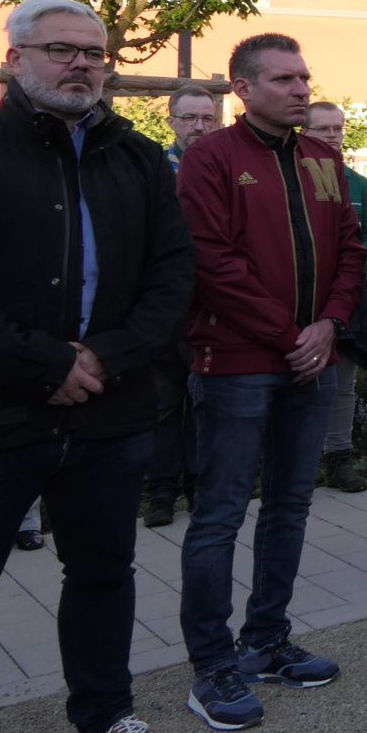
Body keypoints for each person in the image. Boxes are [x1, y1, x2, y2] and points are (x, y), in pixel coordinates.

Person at [0, 0, 193, 733]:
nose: (81, 64)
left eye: (94, 53)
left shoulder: (138, 159)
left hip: (109, 412)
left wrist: (107, 356)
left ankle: (106, 714)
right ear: (14, 59)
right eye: (61, 49)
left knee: (103, 577)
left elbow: (174, 277)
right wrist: (43, 364)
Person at [177, 32, 365, 730]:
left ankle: (266, 640)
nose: (301, 89)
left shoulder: (321, 157)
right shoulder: (211, 158)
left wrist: (331, 324)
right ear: (243, 89)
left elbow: (350, 247)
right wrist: (292, 336)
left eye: (304, 77)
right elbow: (211, 263)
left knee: (289, 506)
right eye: (284, 79)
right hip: (238, 364)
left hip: (313, 360)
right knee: (220, 515)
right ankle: (212, 666)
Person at [144, 81, 221, 529]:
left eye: (207, 118)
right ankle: (160, 494)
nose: (198, 126)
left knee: (205, 403)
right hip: (164, 306)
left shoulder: (226, 167)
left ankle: (198, 489)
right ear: (171, 120)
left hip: (213, 306)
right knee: (164, 404)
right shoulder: (155, 168)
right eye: (189, 118)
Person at [304, 100, 367, 492]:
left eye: (337, 128)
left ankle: (338, 459)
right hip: (300, 297)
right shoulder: (289, 178)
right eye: (323, 128)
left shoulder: (359, 184)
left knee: (342, 383)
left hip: (349, 297)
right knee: (295, 380)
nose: (332, 135)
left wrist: (348, 271)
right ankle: (296, 463)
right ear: (304, 132)